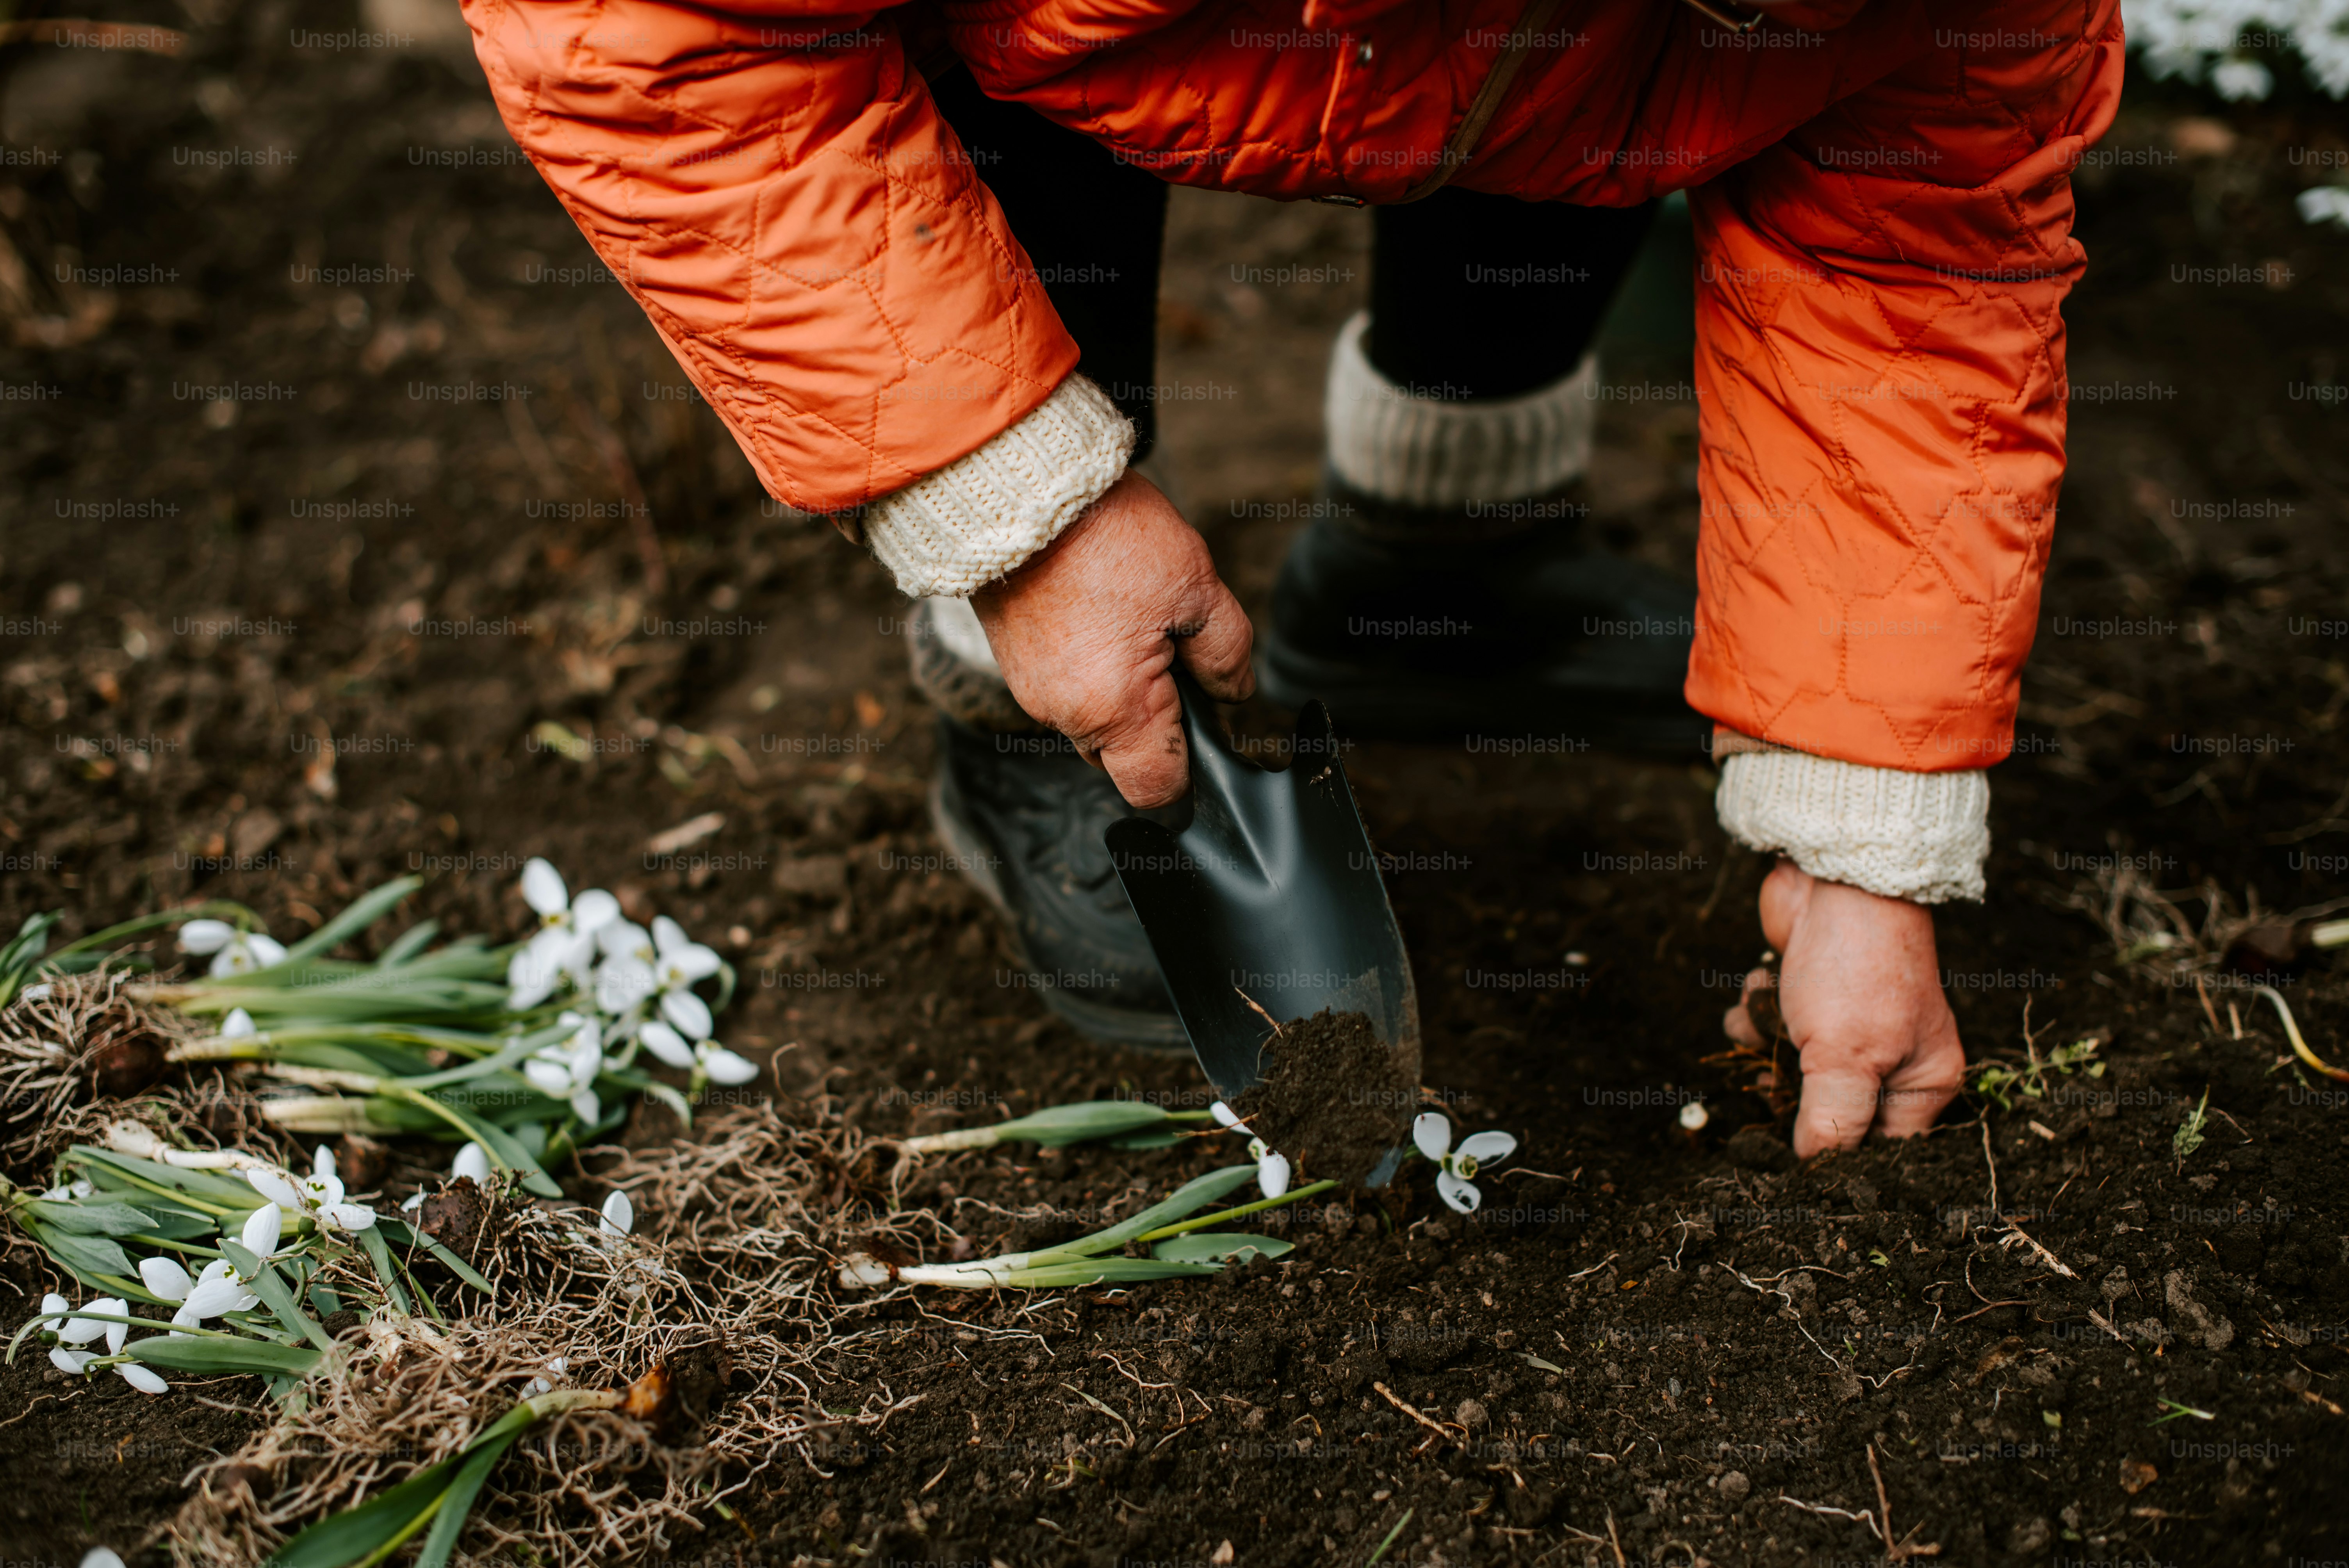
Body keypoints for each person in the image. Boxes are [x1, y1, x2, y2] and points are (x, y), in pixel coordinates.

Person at [462, 0, 2125, 1158]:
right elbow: (648, 34)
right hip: (1066, 47)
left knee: (1666, 59)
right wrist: (1023, 519)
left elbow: (1914, 261)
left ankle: (1437, 565)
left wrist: (1860, 844)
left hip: (1480, 46)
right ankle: (1029, 708)